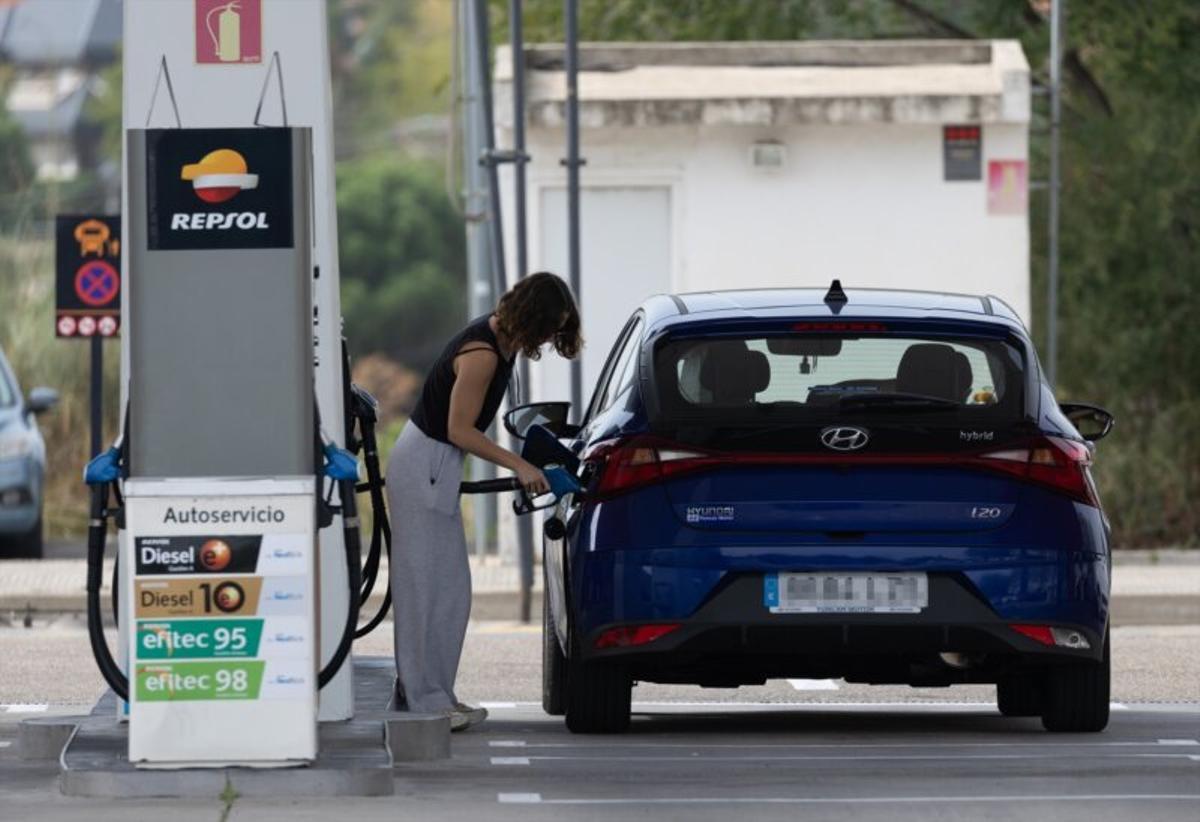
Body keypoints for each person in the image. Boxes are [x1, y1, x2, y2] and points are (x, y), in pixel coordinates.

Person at [386, 272, 582, 730]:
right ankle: (422, 702)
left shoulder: (501, 343)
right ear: (532, 319)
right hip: (424, 465)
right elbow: (458, 429)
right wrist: (520, 465)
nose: (553, 337)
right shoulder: (481, 354)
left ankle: (435, 694)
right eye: (551, 327)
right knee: (424, 590)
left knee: (449, 590)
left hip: (437, 465)